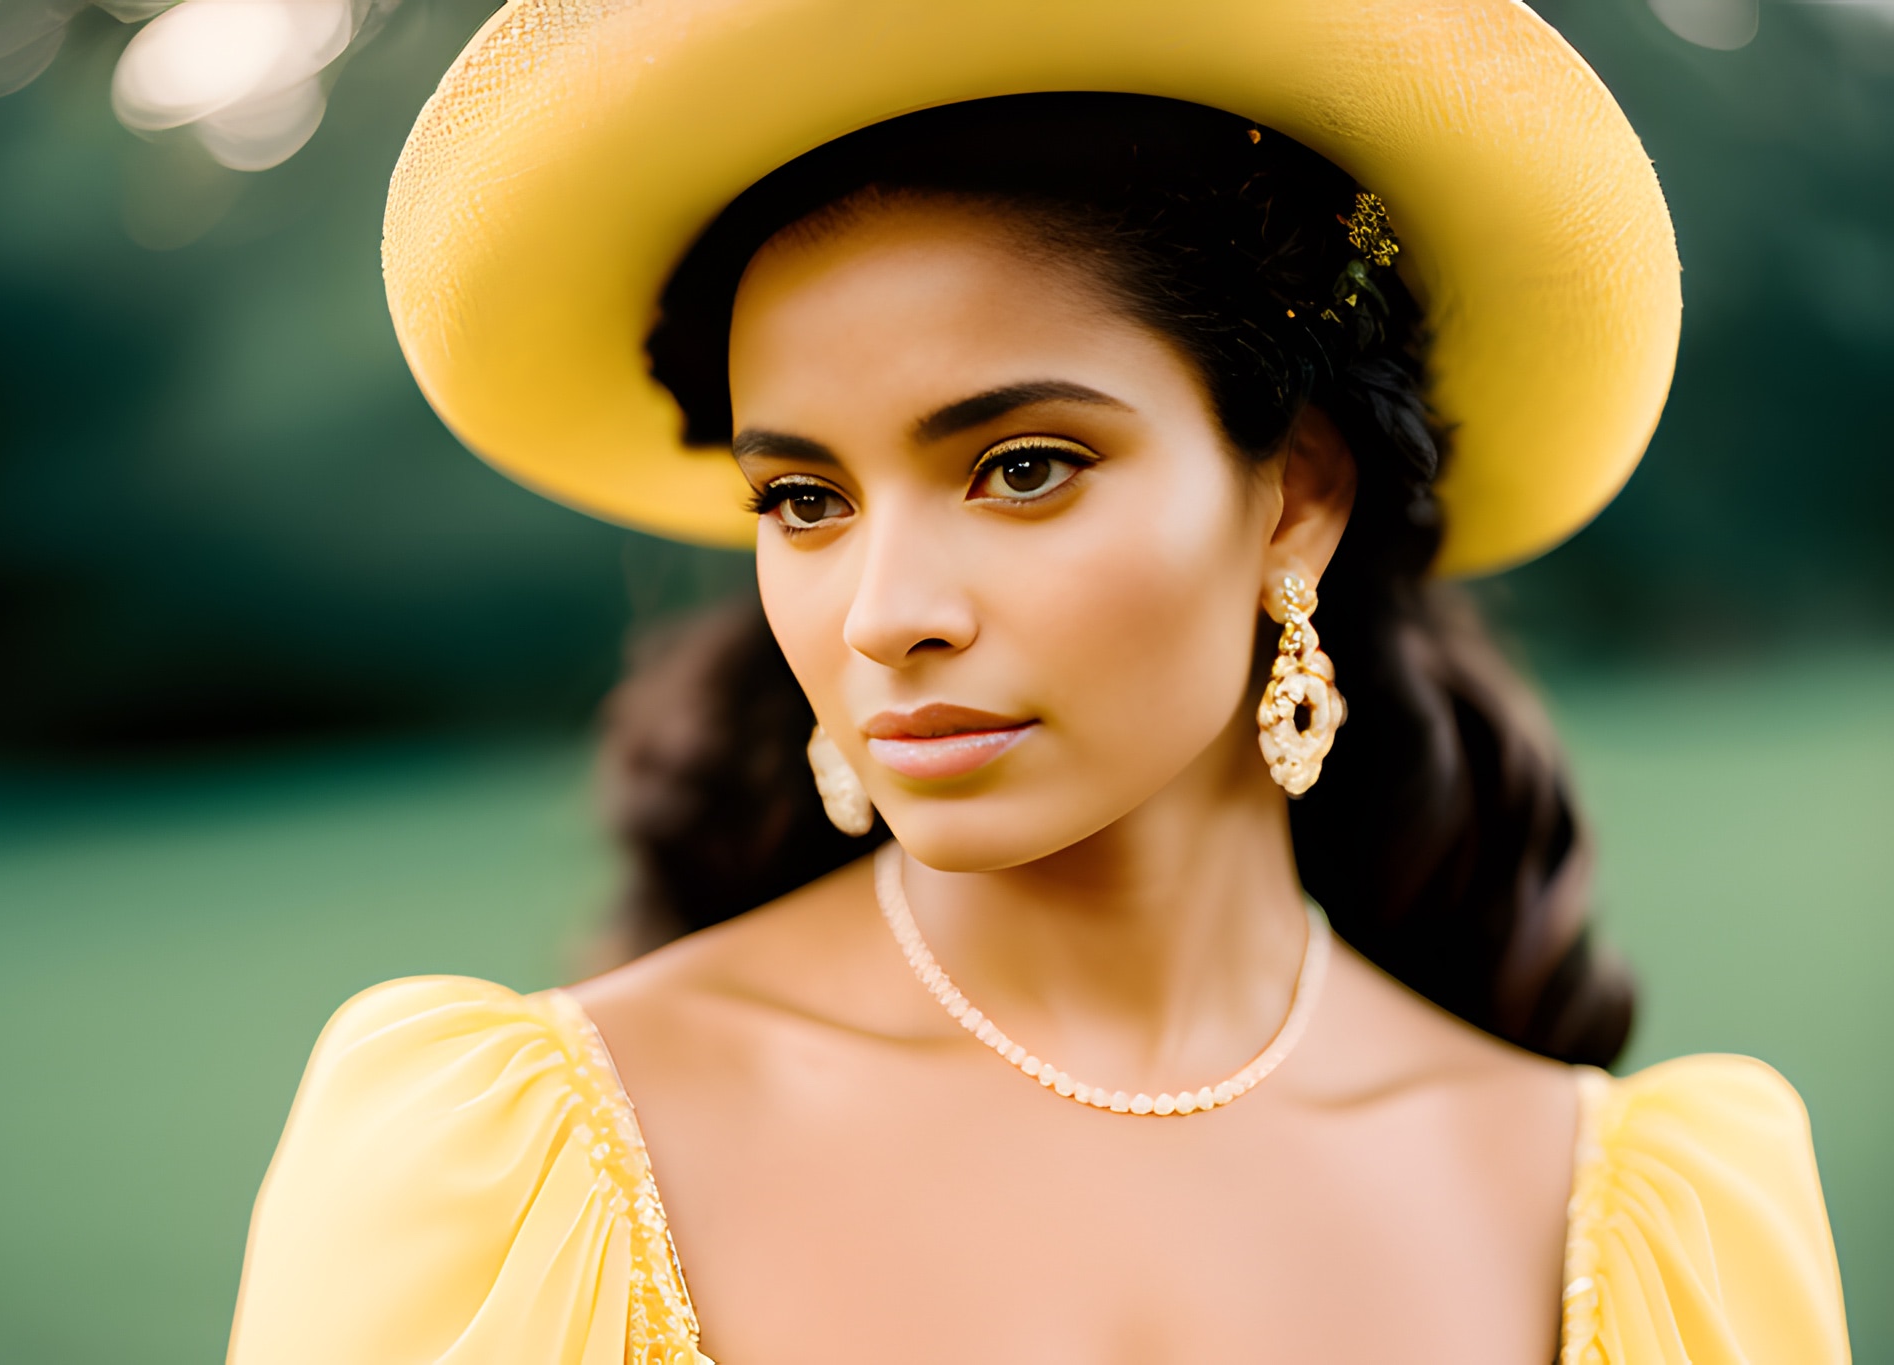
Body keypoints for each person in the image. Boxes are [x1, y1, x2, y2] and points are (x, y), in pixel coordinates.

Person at [227, 3, 1850, 1362]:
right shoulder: (510, 1165)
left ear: (1295, 489)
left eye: (1020, 464)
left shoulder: (1642, 1223)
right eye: (805, 499)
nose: (885, 614)